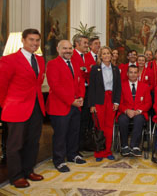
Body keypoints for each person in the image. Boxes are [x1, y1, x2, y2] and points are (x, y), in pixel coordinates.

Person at [0, 29, 45, 188]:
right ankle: (16, 176)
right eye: (31, 40)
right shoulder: (9, 60)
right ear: (23, 40)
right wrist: (5, 105)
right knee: (15, 144)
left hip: (36, 107)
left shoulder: (40, 60)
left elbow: (37, 84)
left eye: (37, 40)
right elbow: (2, 86)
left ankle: (28, 170)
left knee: (33, 142)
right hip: (16, 108)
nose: (35, 43)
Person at [46, 40, 86, 172]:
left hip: (76, 105)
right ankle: (59, 160)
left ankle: (72, 155)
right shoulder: (52, 64)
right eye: (65, 48)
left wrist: (81, 97)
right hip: (59, 106)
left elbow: (81, 81)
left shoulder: (75, 63)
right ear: (58, 49)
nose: (68, 51)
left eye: (70, 48)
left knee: (74, 132)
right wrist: (71, 100)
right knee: (60, 134)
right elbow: (55, 86)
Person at [88, 46, 122, 161]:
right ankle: (99, 152)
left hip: (111, 99)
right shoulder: (95, 69)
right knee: (99, 126)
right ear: (100, 56)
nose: (107, 55)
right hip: (99, 100)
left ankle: (107, 151)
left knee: (109, 126)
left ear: (112, 55)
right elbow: (91, 88)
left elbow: (118, 87)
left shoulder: (115, 69)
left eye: (108, 53)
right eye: (104, 54)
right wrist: (92, 104)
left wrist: (117, 101)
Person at [118, 65, 152, 157]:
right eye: (131, 72)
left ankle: (135, 146)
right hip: (125, 111)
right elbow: (119, 103)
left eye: (135, 72)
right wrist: (126, 110)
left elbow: (148, 103)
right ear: (127, 74)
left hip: (139, 112)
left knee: (139, 119)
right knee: (122, 120)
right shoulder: (121, 86)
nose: (133, 75)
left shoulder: (144, 86)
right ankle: (124, 146)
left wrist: (139, 111)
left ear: (138, 74)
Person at [71, 34, 91, 151]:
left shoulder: (87, 56)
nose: (87, 45)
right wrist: (86, 70)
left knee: (85, 119)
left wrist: (86, 70)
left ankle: (81, 144)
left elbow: (89, 70)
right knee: (76, 121)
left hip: (87, 91)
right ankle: (74, 147)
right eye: (85, 43)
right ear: (77, 44)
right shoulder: (72, 55)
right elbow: (81, 71)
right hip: (76, 93)